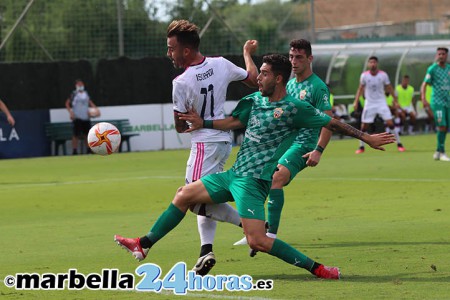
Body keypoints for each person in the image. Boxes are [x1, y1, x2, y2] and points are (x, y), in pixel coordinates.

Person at [114, 54, 396, 280]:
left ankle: (318, 269)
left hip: (254, 182)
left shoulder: (294, 108)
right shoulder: (253, 100)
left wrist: (366, 137)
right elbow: (234, 122)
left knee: (257, 241)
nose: (257, 77)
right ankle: (144, 243)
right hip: (234, 175)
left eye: (263, 73)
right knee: (183, 195)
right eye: (259, 72)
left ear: (278, 78)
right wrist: (204, 123)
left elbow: (330, 122)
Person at [166, 20, 259, 276]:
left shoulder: (181, 81)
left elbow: (179, 126)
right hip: (222, 141)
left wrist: (187, 121)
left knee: (191, 199)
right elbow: (253, 79)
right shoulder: (221, 64)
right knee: (204, 195)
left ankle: (251, 225)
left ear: (186, 51)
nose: (169, 54)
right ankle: (205, 251)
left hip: (204, 143)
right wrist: (246, 54)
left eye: (171, 48)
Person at [233, 39, 334, 252]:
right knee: (259, 177)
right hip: (283, 143)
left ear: (310, 59)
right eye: (291, 57)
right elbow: (254, 79)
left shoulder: (318, 87)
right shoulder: (286, 84)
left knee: (276, 178)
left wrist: (318, 150)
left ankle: (270, 235)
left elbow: (328, 121)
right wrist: (247, 54)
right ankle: (256, 230)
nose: (294, 61)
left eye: (299, 57)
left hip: (304, 144)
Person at [353, 56, 404, 154]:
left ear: (377, 64)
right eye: (371, 62)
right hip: (369, 103)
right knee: (364, 127)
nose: (373, 64)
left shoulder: (383, 75)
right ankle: (361, 147)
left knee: (390, 123)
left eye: (374, 62)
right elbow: (360, 88)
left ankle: (399, 144)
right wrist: (356, 101)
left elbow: (389, 87)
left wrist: (396, 100)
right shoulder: (364, 76)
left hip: (381, 103)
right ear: (368, 64)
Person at [420, 47, 450, 161]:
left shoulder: (448, 68)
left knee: (445, 127)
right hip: (437, 102)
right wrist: (423, 98)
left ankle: (438, 151)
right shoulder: (432, 69)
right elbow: (424, 84)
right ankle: (442, 152)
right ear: (437, 55)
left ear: (446, 55)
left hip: (447, 101)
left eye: (443, 54)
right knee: (441, 125)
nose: (441, 56)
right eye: (439, 54)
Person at [65, 79, 99, 155]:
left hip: (86, 117)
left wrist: (96, 109)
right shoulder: (74, 94)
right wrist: (71, 113)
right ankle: (74, 150)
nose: (81, 86)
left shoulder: (86, 94)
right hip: (77, 117)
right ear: (76, 86)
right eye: (79, 85)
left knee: (87, 134)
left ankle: (88, 149)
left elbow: (90, 102)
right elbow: (67, 103)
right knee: (76, 134)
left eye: (81, 84)